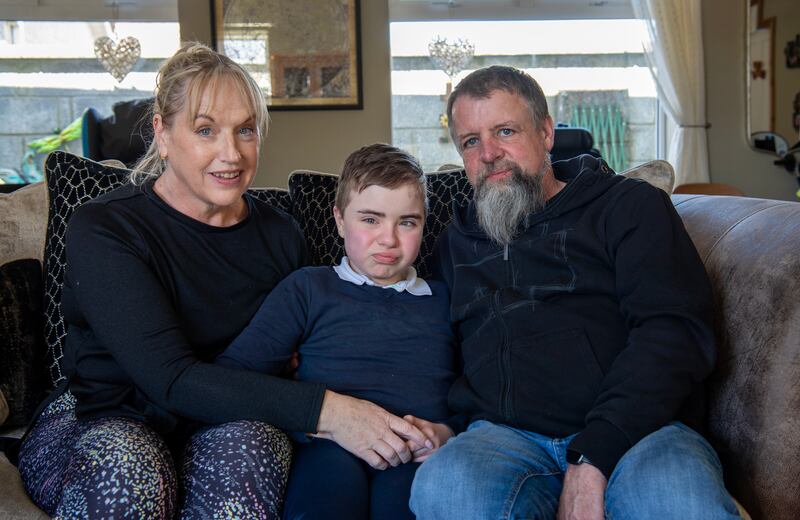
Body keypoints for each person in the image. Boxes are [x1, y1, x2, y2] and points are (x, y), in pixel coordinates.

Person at [14, 43, 431, 520]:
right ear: (162, 132)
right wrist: (331, 412)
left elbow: (298, 355)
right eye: (206, 130)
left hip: (231, 419)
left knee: (250, 452)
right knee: (128, 473)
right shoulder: (105, 228)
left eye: (245, 131)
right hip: (106, 416)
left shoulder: (281, 235)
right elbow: (167, 377)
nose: (230, 154)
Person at [409, 65, 742, 519]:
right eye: (470, 141)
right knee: (444, 488)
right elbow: (417, 328)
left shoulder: (629, 207)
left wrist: (594, 455)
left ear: (546, 132)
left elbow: (675, 331)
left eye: (505, 131)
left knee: (678, 500)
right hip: (505, 441)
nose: (488, 154)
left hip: (640, 432)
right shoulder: (455, 239)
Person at [216, 143, 461, 520]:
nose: (388, 239)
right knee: (326, 502)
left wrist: (445, 434)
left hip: (415, 453)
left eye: (407, 222)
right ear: (340, 220)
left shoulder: (445, 299)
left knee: (405, 506)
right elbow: (232, 378)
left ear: (424, 224)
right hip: (327, 447)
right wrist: (308, 417)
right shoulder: (308, 289)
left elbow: (478, 390)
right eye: (370, 219)